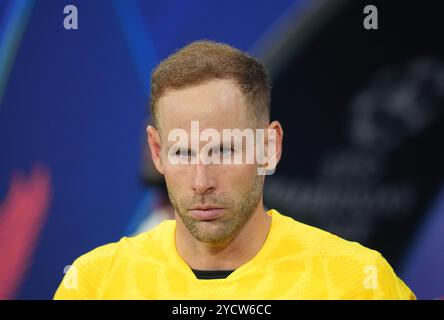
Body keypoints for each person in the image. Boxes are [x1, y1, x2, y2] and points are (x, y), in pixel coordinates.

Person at [54, 40, 415, 299]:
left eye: (224, 151)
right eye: (183, 152)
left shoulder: (357, 283)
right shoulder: (94, 285)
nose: (201, 182)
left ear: (269, 148)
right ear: (157, 152)